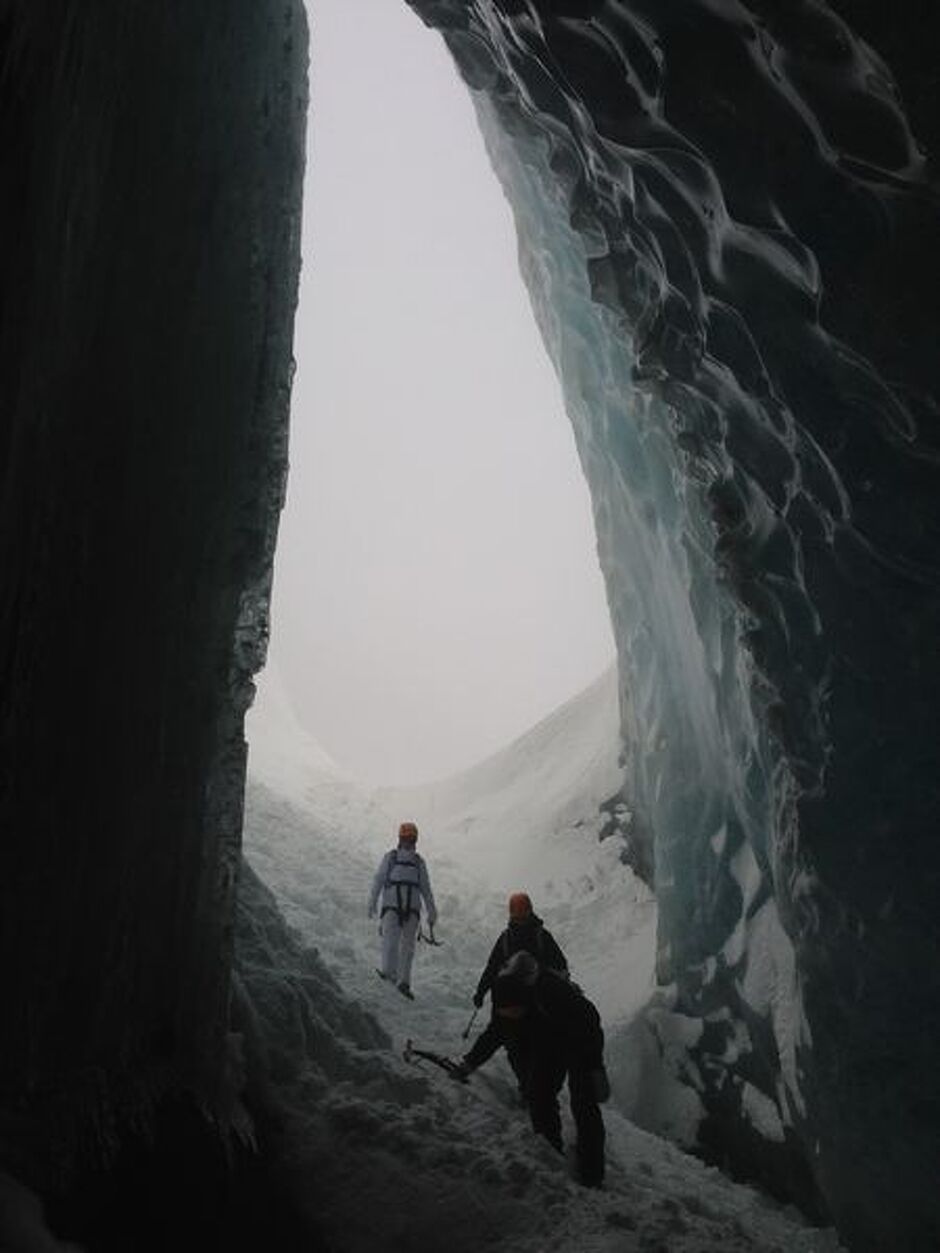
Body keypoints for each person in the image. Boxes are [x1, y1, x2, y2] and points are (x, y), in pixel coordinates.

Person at [494, 951, 609, 1188]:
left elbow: (588, 1018)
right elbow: (497, 1030)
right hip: (553, 1041)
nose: (511, 1014)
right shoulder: (516, 991)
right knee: (539, 1092)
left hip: (581, 1044)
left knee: (584, 1104)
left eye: (512, 1010)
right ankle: (549, 1149)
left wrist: (595, 1066)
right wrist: (470, 1062)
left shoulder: (548, 990)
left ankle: (591, 1172)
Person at [452, 893, 568, 1093]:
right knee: (507, 1041)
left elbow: (493, 967)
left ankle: (525, 1087)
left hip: (518, 1003)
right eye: (518, 917)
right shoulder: (537, 937)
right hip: (525, 1003)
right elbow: (561, 968)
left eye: (522, 917)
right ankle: (526, 1088)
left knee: (507, 1041)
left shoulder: (515, 938)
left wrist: (482, 991)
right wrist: (481, 991)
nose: (520, 921)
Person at [368, 821, 437, 1000]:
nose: (408, 842)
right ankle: (389, 974)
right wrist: (372, 901)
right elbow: (378, 880)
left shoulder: (417, 862)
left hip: (408, 911)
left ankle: (403, 981)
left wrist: (432, 911)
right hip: (395, 908)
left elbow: (425, 888)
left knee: (407, 947)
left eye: (411, 839)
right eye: (406, 838)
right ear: (400, 839)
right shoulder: (392, 858)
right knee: (392, 943)